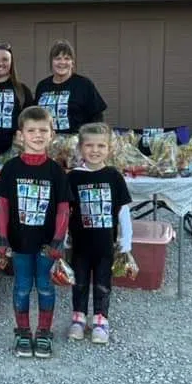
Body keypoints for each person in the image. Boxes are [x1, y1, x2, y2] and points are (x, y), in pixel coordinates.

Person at [0, 106, 71, 359]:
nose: (37, 135)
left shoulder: (56, 171)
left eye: (43, 130)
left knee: (46, 288)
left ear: (52, 134)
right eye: (31, 130)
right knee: (22, 287)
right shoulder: (11, 168)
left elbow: (63, 209)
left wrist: (58, 241)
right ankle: (23, 331)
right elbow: (3, 207)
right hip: (19, 242)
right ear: (20, 135)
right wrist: (2, 239)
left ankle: (44, 332)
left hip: (47, 244)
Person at [65, 123, 133, 345]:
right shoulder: (73, 177)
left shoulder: (114, 176)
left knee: (103, 283)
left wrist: (127, 240)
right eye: (89, 145)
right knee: (80, 282)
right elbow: (66, 210)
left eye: (101, 145)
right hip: (80, 244)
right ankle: (78, 319)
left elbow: (123, 210)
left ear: (109, 148)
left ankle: (101, 320)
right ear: (81, 148)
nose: (95, 150)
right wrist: (63, 235)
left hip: (105, 245)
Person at [34, 39, 107, 134]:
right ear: (51, 62)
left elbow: (97, 117)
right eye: (58, 58)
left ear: (72, 63)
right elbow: (35, 117)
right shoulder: (42, 86)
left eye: (67, 58)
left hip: (76, 143)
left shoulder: (84, 84)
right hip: (46, 143)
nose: (62, 62)